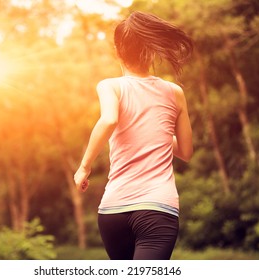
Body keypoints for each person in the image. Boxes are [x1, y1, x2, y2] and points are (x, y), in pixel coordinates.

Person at [74, 11, 194, 260]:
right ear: (150, 51)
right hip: (157, 210)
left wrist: (84, 167)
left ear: (117, 50)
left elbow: (109, 119)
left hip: (112, 211)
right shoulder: (174, 92)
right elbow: (186, 151)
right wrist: (159, 135)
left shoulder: (110, 86)